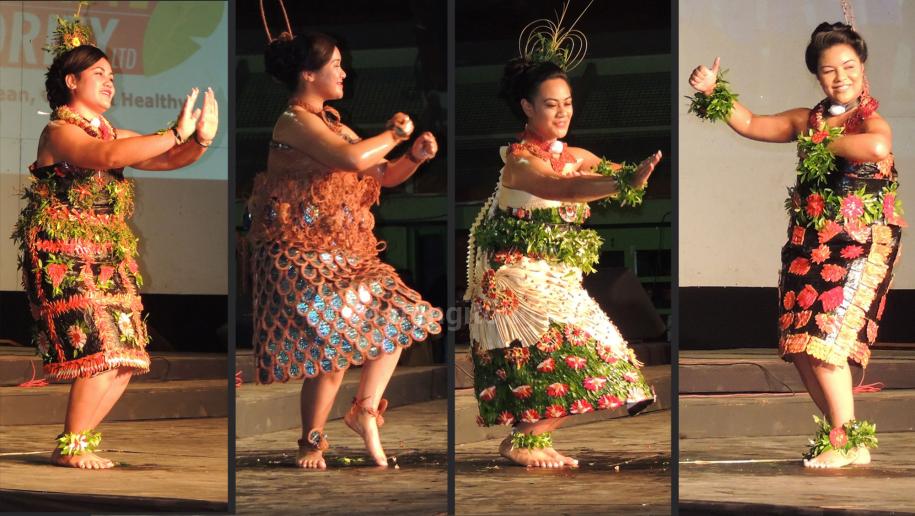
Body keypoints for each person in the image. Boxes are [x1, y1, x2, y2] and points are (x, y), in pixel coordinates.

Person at [687, 22, 902, 468]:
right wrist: (711, 91)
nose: (840, 77)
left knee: (825, 339)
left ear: (863, 68)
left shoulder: (867, 120)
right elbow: (749, 122)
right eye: (829, 71)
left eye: (849, 67)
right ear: (817, 76)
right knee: (800, 342)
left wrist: (821, 139)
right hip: (808, 243)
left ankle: (842, 440)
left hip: (859, 242)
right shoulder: (808, 118)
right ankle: (845, 435)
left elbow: (878, 145)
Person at [12, 19, 218, 469]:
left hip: (107, 256)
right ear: (72, 81)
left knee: (127, 358)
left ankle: (79, 443)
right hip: (61, 257)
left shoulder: (111, 130)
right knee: (101, 352)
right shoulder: (61, 132)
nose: (110, 81)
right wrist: (177, 133)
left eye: (112, 76)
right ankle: (71, 446)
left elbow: (166, 158)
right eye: (100, 74)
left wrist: (200, 139)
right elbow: (105, 159)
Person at [464, 11, 661, 468]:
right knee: (576, 359)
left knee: (612, 361)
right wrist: (622, 183)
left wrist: (633, 175)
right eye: (551, 104)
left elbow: (608, 175)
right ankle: (525, 441)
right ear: (527, 108)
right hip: (513, 278)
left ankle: (528, 440)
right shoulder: (519, 163)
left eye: (568, 102)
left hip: (558, 279)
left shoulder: (577, 154)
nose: (563, 112)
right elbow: (561, 189)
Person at [247, 30, 443, 469]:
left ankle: (364, 410)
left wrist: (414, 155)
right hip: (298, 258)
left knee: (399, 319)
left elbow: (382, 175)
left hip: (344, 258)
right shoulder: (293, 122)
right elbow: (352, 159)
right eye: (334, 64)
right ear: (307, 74)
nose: (343, 71)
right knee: (330, 357)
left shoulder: (333, 123)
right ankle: (311, 442)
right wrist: (394, 132)